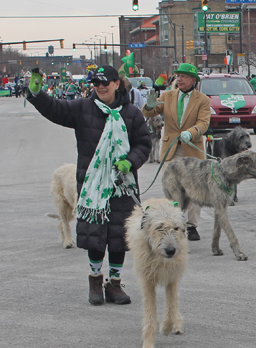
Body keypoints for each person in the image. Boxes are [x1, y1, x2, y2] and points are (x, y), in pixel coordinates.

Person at [26, 65, 152, 306]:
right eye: (96, 83)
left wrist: (130, 162)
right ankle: (95, 280)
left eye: (105, 83)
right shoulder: (83, 107)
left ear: (117, 83)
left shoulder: (132, 113)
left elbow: (143, 144)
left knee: (119, 237)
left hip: (121, 186)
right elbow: (55, 109)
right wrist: (37, 94)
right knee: (95, 236)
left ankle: (115, 284)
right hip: (93, 185)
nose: (100, 87)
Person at [142, 63, 210, 240]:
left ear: (193, 80)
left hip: (192, 150)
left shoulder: (202, 99)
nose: (179, 79)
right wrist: (149, 106)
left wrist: (191, 132)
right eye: (178, 76)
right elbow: (149, 113)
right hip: (171, 149)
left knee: (194, 190)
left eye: (184, 76)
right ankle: (175, 223)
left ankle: (192, 225)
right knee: (173, 189)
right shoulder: (168, 95)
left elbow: (204, 122)